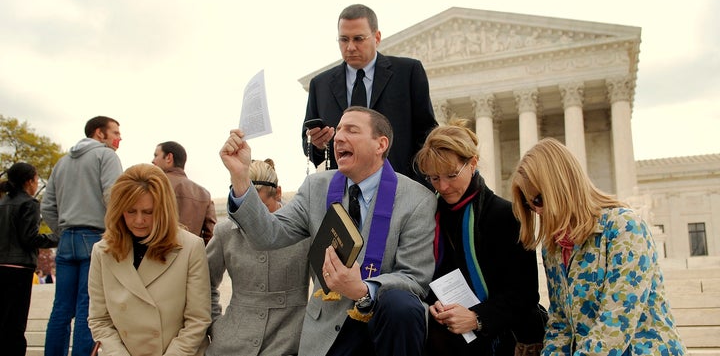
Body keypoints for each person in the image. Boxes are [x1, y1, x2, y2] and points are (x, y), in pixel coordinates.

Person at [221, 107, 437, 356]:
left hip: (385, 324)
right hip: (328, 326)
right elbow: (267, 235)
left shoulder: (418, 199)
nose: (339, 137)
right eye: (339, 130)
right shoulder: (315, 187)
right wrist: (239, 177)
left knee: (401, 305)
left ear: (381, 144)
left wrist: (363, 289)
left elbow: (414, 278)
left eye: (352, 130)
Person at [510, 138, 687, 355]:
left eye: (538, 199)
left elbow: (616, 322)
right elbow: (560, 323)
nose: (536, 211)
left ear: (561, 186)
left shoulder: (624, 227)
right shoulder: (553, 248)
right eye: (529, 204)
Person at [414, 122, 546, 356]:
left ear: (472, 163)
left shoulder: (506, 215)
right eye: (433, 178)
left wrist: (477, 318)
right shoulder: (427, 214)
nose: (443, 187)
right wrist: (434, 305)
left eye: (451, 175)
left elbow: (524, 294)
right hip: (444, 329)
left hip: (499, 333)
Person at [302, 3, 437, 186]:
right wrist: (317, 144)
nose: (350, 47)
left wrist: (421, 183)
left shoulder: (408, 73)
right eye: (343, 39)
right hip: (342, 194)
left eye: (358, 39)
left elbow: (427, 134)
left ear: (377, 37)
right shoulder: (320, 85)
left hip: (399, 189)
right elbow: (307, 144)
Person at [88, 163, 211, 356]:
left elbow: (197, 320)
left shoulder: (191, 247)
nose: (138, 220)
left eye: (148, 212)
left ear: (164, 210)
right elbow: (99, 320)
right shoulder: (102, 252)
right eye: (130, 211)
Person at [206, 158, 311, 356]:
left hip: (288, 344)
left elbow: (324, 291)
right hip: (231, 346)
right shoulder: (224, 232)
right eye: (248, 210)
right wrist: (216, 326)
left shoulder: (305, 232)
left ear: (278, 193)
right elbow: (203, 284)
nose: (255, 221)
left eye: (262, 208)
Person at [41, 115, 123, 356]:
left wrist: (62, 231)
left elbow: (46, 206)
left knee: (61, 308)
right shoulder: (107, 156)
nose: (119, 137)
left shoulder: (62, 163)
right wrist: (115, 232)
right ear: (100, 133)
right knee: (90, 308)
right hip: (96, 236)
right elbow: (113, 197)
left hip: (66, 238)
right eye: (116, 132)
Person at [0, 162, 59, 356]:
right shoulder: (29, 203)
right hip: (19, 268)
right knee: (16, 323)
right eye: (35, 180)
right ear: (29, 182)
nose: (36, 184)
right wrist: (57, 238)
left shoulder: (2, 203)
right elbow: (29, 237)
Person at [152, 141, 216, 245]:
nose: (153, 160)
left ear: (169, 157)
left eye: (156, 155)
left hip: (155, 255)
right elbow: (211, 236)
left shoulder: (152, 186)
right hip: (190, 258)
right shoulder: (204, 194)